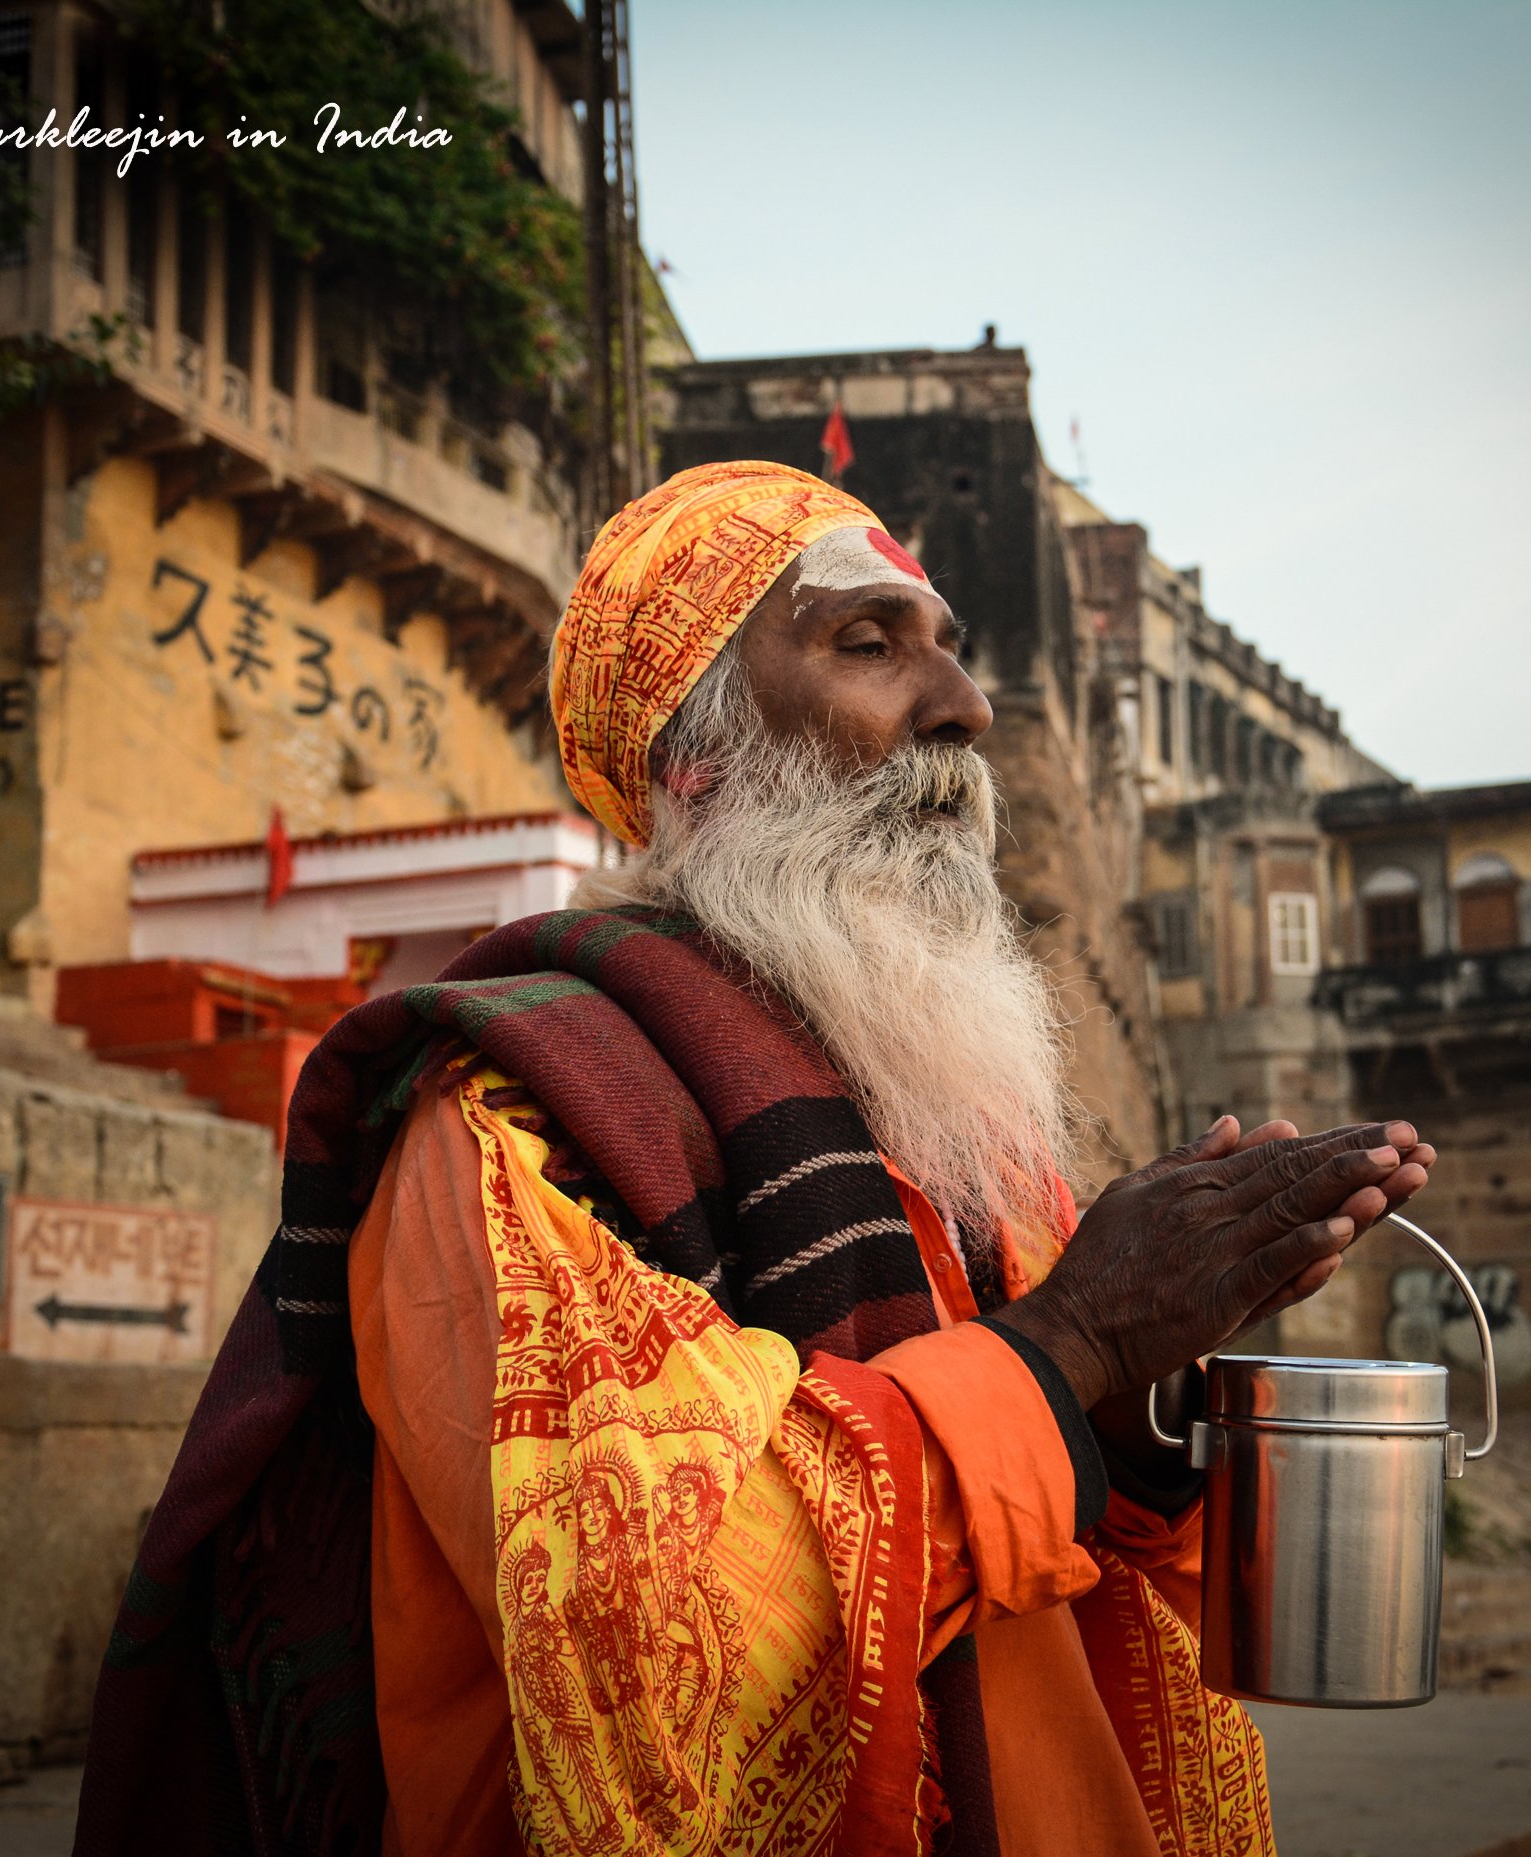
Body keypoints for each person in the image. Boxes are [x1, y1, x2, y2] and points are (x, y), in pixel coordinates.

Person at [75, 461, 1434, 1857]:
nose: (963, 709)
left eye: (950, 652)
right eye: (868, 645)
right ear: (693, 755)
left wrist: (1158, 1372)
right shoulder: (515, 1118)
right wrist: (1074, 1337)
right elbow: (659, 1640)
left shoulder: (963, 1124)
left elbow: (1066, 1528)